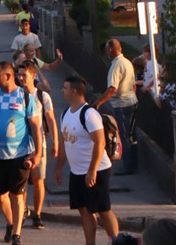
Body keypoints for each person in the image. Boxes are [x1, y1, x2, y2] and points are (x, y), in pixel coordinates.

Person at [0, 61, 42, 245]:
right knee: (1, 196)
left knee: (17, 194)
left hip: (19, 155)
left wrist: (38, 154)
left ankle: (16, 234)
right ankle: (11, 223)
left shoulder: (25, 97)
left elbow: (35, 127)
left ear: (7, 75)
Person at [55, 76, 119, 244]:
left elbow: (100, 142)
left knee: (103, 209)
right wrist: (59, 167)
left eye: (65, 88)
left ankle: (117, 241)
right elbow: (64, 143)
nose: (63, 91)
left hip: (97, 170)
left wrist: (92, 170)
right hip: (77, 172)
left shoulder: (89, 114)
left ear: (75, 91)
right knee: (84, 211)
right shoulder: (65, 114)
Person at [17, 60, 58, 230]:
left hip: (38, 144)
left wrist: (55, 142)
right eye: (18, 74)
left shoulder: (42, 96)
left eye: (23, 75)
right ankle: (23, 210)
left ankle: (38, 214)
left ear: (33, 76)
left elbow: (51, 119)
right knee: (22, 182)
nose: (20, 78)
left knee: (38, 179)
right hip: (19, 145)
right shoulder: (16, 95)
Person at [93, 39, 138, 175]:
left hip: (122, 104)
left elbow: (113, 88)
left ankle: (128, 166)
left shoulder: (116, 66)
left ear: (111, 49)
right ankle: (134, 164)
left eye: (107, 48)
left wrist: (98, 102)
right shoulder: (128, 62)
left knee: (124, 135)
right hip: (131, 102)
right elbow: (133, 84)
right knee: (132, 134)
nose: (106, 51)